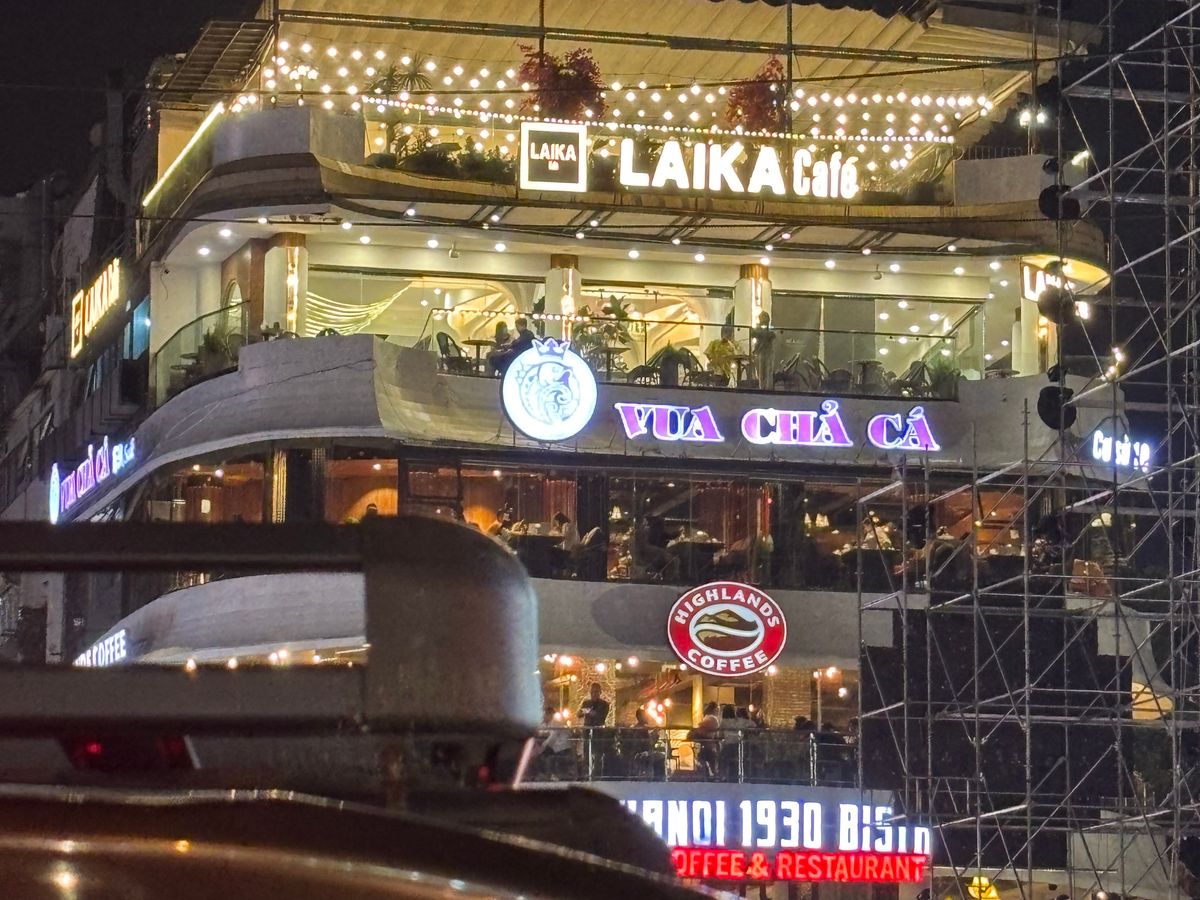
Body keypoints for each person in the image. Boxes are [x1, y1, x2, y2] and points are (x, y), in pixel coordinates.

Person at [689, 701, 722, 779]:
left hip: (706, 743)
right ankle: (712, 776)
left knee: (705, 760)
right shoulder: (713, 719)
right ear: (714, 709)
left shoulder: (707, 718)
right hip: (710, 744)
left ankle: (707, 775)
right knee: (711, 761)